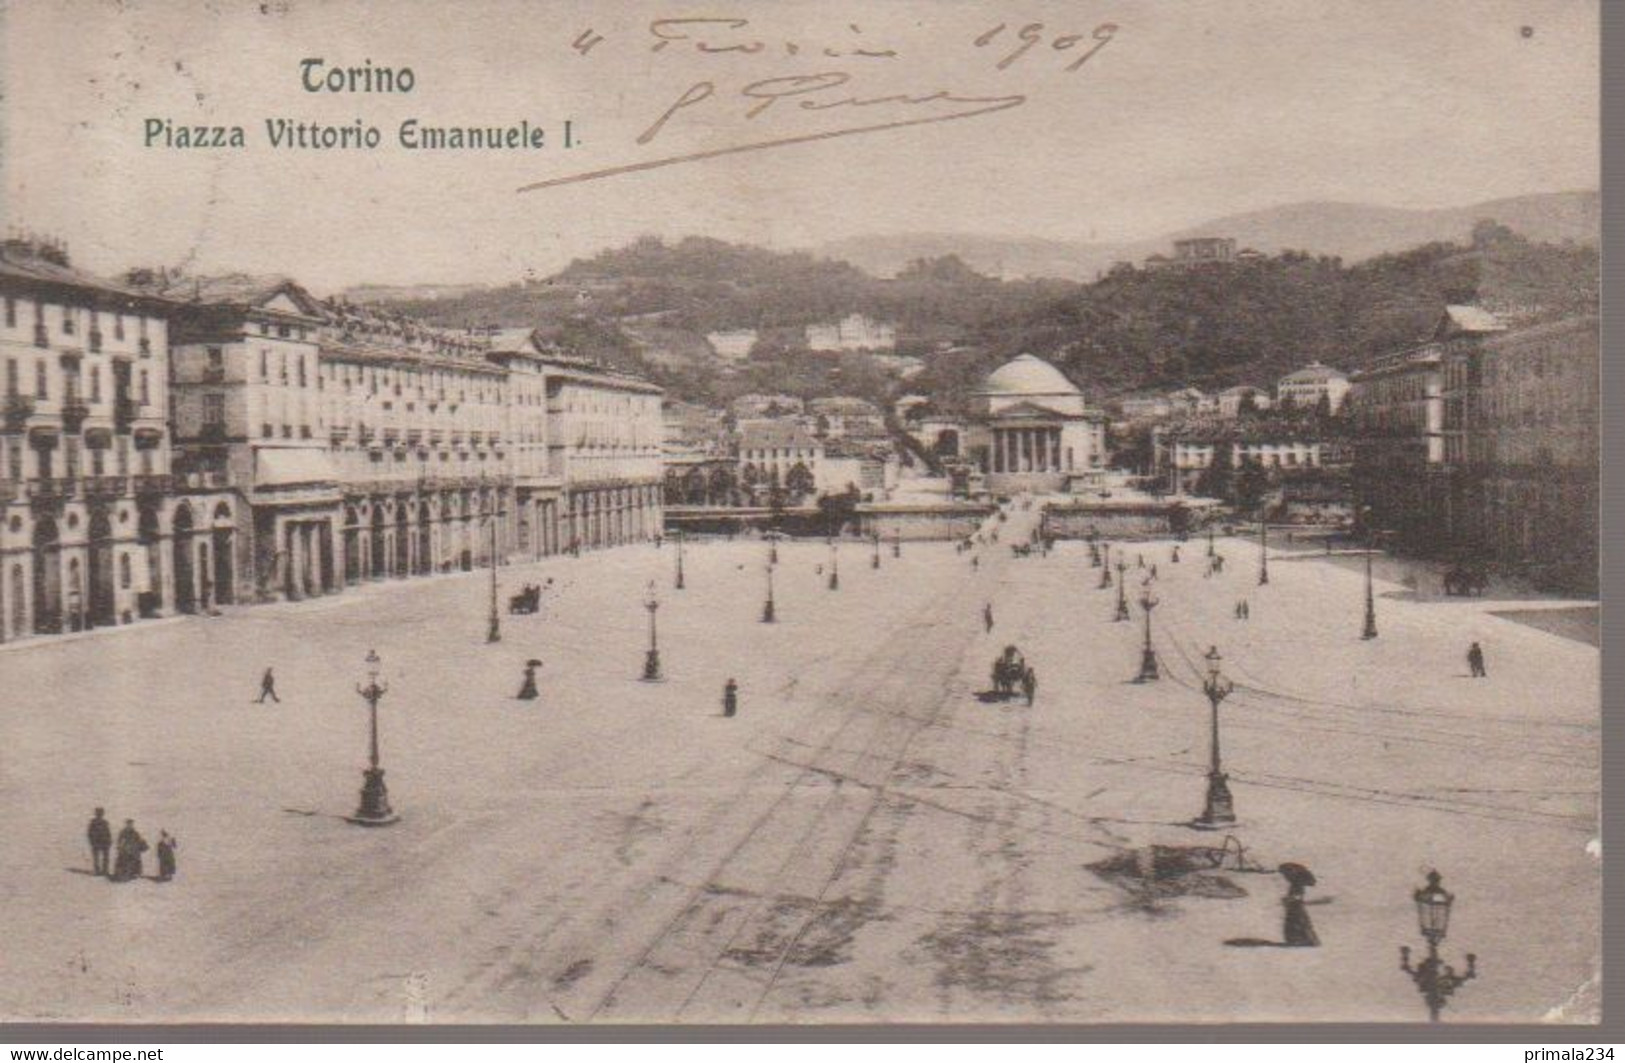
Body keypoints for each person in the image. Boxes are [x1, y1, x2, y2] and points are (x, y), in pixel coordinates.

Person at [1279, 863, 1323, 947]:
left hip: (1296, 907)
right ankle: (1300, 939)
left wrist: (1289, 899)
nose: (1285, 877)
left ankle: (1301, 940)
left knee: (1298, 923)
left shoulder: (1296, 883)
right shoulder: (1295, 883)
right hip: (1295, 907)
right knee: (1298, 923)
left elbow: (1298, 895)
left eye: (1286, 874)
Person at [87, 808, 112, 877]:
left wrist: (109, 841)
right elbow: (90, 833)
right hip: (96, 842)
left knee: (105, 857)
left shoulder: (105, 822)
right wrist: (92, 841)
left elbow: (108, 832)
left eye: (101, 813)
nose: (100, 815)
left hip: (105, 842)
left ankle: (105, 871)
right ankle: (97, 871)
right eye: (98, 813)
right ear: (96, 814)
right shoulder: (93, 822)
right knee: (96, 857)